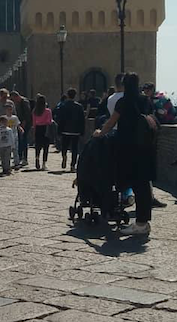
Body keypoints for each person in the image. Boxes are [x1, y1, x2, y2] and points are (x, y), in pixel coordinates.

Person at [95, 73, 157, 236]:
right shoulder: (145, 100)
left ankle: (141, 223)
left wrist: (100, 133)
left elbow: (111, 122)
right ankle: (143, 221)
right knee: (143, 185)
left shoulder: (123, 102)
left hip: (129, 147)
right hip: (145, 147)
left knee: (132, 183)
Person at [56, 88, 85, 172]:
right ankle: (72, 165)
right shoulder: (79, 107)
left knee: (64, 146)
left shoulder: (63, 106)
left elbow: (60, 119)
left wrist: (59, 131)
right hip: (76, 131)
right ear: (75, 96)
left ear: (68, 95)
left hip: (65, 130)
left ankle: (64, 156)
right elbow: (82, 120)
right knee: (75, 149)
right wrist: (82, 131)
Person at [11, 91, 33, 166]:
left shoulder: (24, 102)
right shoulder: (18, 103)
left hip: (25, 124)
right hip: (20, 124)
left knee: (23, 140)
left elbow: (27, 114)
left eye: (13, 98)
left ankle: (24, 158)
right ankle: (20, 157)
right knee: (20, 140)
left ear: (16, 96)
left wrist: (23, 124)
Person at [33, 94, 53, 170]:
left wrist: (34, 130)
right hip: (45, 129)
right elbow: (49, 121)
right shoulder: (48, 111)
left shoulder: (35, 111)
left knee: (37, 146)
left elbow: (34, 122)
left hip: (38, 129)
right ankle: (44, 164)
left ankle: (37, 158)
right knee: (46, 147)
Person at [3, 101, 22, 169]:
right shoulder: (4, 118)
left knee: (15, 150)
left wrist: (20, 129)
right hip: (7, 137)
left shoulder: (15, 117)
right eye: (8, 109)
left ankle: (16, 162)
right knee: (7, 151)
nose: (9, 111)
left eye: (11, 109)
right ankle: (7, 164)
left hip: (14, 136)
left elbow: (18, 125)